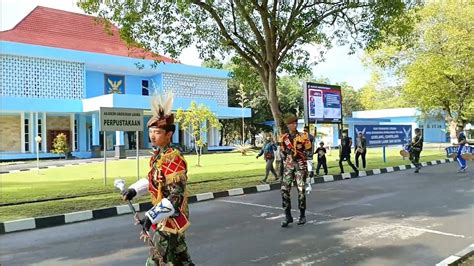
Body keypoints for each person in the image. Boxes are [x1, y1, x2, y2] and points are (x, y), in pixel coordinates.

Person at [121, 92, 194, 265]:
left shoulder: (173, 157)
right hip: (164, 217)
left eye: (157, 132)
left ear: (169, 134)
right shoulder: (158, 156)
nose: (153, 136)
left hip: (172, 217)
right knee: (180, 258)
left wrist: (150, 217)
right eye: (151, 132)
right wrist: (133, 190)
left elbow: (175, 196)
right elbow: (154, 180)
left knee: (156, 259)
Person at [279, 115, 312, 227]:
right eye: (292, 123)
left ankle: (302, 215)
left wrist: (303, 156)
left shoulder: (303, 137)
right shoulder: (284, 138)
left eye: (296, 123)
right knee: (284, 190)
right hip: (289, 166)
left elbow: (309, 151)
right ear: (288, 125)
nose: (295, 125)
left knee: (301, 190)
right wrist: (285, 156)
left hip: (300, 166)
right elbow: (283, 152)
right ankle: (288, 216)